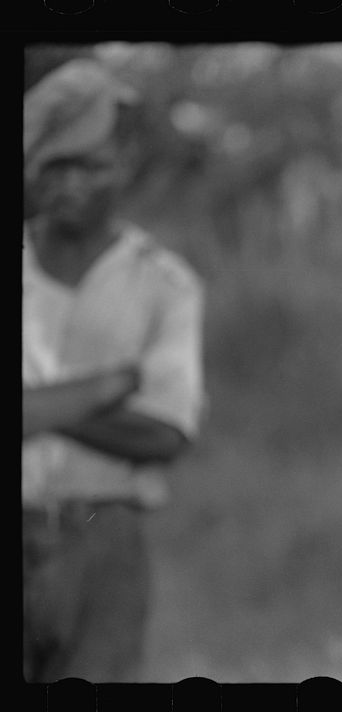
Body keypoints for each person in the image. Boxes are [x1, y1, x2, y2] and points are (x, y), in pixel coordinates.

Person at [22, 59, 205, 682]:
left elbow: (165, 433)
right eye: (56, 165)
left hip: (103, 539)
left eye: (91, 166)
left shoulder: (165, 283)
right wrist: (104, 389)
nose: (71, 184)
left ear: (124, 166)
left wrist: (35, 410)